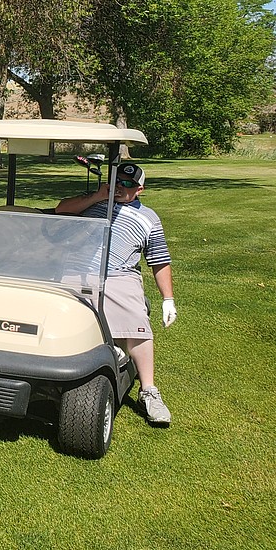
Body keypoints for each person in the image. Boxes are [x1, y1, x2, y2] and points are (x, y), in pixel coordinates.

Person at [56, 161, 177, 426]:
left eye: (128, 184)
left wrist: (168, 299)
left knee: (137, 325)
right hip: (77, 269)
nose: (121, 187)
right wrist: (99, 195)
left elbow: (159, 260)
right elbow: (61, 209)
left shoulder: (148, 218)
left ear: (140, 189)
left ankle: (148, 391)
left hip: (119, 274)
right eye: (118, 181)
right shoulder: (93, 203)